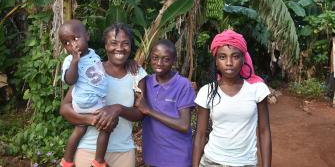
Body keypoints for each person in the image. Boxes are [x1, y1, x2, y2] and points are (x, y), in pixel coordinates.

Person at [60, 23, 147, 167]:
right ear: (105, 46)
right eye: (113, 43)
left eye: (125, 43)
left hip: (123, 151)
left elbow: (141, 113)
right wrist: (92, 120)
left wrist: (117, 109)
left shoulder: (136, 73)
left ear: (131, 46)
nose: (119, 48)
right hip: (88, 150)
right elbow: (64, 109)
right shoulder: (91, 70)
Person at [192, 30, 272, 167]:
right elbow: (200, 134)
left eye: (235, 56)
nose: (229, 62)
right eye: (222, 57)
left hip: (245, 163)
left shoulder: (257, 89)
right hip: (212, 161)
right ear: (216, 61)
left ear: (243, 59)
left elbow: (264, 132)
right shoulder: (207, 92)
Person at [134, 39, 195, 167]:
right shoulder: (145, 82)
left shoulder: (183, 85)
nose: (159, 63)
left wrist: (150, 111)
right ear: (150, 58)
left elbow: (184, 125)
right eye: (155, 58)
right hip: (153, 155)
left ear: (173, 61)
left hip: (177, 157)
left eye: (166, 59)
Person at [58, 19, 110, 167]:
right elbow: (70, 80)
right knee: (107, 127)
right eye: (66, 43)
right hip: (88, 100)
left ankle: (67, 161)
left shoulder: (93, 54)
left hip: (95, 99)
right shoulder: (70, 60)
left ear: (87, 36)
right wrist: (75, 61)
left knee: (80, 128)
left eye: (75, 39)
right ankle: (99, 161)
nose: (72, 45)